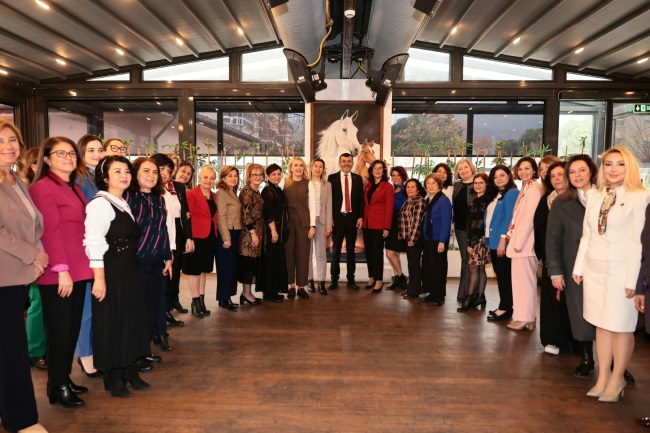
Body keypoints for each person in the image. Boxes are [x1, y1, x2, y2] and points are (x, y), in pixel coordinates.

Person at [573, 147, 649, 402]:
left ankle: (617, 379)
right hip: (595, 269)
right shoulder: (596, 195)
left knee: (620, 326)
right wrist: (579, 267)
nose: (613, 169)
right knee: (601, 325)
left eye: (620, 164)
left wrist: (633, 280)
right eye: (608, 164)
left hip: (621, 271)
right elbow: (587, 235)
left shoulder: (640, 197)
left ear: (630, 167)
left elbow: (638, 242)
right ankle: (603, 376)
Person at [31, 136, 93, 407]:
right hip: (59, 272)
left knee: (70, 329)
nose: (68, 158)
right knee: (59, 332)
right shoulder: (43, 188)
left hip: (78, 268)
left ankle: (62, 379)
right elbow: (50, 232)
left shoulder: (73, 187)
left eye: (71, 153)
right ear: (46, 159)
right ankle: (57, 385)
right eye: (61, 153)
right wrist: (61, 270)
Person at [84, 155, 151, 398]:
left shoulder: (122, 202)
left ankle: (130, 370)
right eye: (117, 171)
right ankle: (114, 377)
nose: (124, 175)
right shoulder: (100, 204)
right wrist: (99, 279)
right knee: (112, 323)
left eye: (127, 171)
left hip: (128, 270)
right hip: (111, 272)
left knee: (130, 322)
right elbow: (93, 242)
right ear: (105, 178)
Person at [0, 120, 49, 433]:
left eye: (12, 140)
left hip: (17, 275)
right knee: (12, 352)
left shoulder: (17, 179)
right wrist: (34, 255)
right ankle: (22, 420)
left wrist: (38, 258)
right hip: (3, 277)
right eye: (0, 141)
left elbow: (33, 227)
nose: (8, 146)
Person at [546, 155, 599, 377]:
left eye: (582, 170)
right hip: (574, 267)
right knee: (579, 312)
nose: (577, 175)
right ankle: (586, 358)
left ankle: (615, 363)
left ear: (591, 171)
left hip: (604, 266)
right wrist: (555, 271)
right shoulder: (562, 202)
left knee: (608, 315)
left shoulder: (606, 197)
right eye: (572, 171)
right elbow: (552, 239)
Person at [125, 157, 173, 361]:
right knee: (137, 310)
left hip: (156, 261)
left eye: (154, 172)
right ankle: (135, 354)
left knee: (151, 308)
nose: (151, 176)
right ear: (135, 174)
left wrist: (168, 256)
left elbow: (162, 229)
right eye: (146, 171)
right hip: (136, 262)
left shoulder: (158, 198)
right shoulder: (128, 197)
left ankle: (144, 351)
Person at [149, 153, 194, 326]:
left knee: (174, 271)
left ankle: (170, 304)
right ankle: (162, 312)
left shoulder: (177, 188)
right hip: (158, 236)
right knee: (162, 276)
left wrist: (189, 237)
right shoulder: (153, 190)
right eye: (164, 168)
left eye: (171, 168)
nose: (168, 172)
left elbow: (185, 213)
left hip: (175, 231)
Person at [534, 161, 573, 354]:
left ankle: (576, 341)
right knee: (551, 302)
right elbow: (539, 229)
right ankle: (553, 340)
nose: (557, 179)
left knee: (571, 303)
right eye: (552, 176)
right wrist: (544, 255)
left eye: (560, 174)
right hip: (552, 259)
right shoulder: (546, 201)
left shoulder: (578, 199)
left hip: (574, 260)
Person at [74, 134, 104, 379]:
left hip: (104, 247)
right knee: (86, 307)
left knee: (97, 305)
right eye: (91, 150)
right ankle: (85, 355)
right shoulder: (79, 179)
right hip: (87, 248)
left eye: (100, 149)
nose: (97, 154)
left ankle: (94, 351)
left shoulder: (99, 176)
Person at [18, 147, 48, 371]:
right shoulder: (27, 190)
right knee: (38, 302)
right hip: (33, 254)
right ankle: (35, 350)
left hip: (47, 253)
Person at [506, 157, 542, 331]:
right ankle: (526, 316)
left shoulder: (534, 189)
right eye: (520, 169)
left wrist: (518, 242)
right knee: (521, 282)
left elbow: (529, 218)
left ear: (534, 170)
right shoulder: (526, 188)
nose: (523, 172)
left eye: (527, 168)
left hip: (525, 244)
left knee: (525, 283)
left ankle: (525, 317)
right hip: (520, 242)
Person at [484, 165, 518, 321]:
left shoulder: (511, 193)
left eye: (502, 175)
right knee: (501, 275)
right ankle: (504, 305)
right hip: (494, 241)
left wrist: (502, 241)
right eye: (495, 176)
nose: (498, 179)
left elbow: (510, 218)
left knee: (504, 277)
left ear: (509, 176)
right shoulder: (497, 194)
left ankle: (505, 308)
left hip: (502, 242)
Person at [184, 166, 218, 317]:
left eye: (211, 178)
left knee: (204, 270)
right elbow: (186, 218)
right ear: (199, 178)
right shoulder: (191, 194)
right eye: (205, 177)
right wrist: (189, 238)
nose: (208, 181)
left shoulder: (214, 196)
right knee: (194, 271)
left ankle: (202, 301)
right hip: (196, 237)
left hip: (210, 237)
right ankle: (195, 302)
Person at [327, 153, 364, 290]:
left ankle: (351, 280)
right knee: (336, 250)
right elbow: (329, 200)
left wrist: (360, 217)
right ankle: (334, 280)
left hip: (352, 219)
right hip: (337, 219)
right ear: (339, 163)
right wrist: (329, 217)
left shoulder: (358, 179)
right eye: (344, 161)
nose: (346, 163)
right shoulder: (332, 178)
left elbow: (360, 200)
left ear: (352, 163)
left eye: (349, 161)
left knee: (351, 251)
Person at [458, 172, 491, 312]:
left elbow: (479, 224)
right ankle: (480, 297)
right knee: (480, 268)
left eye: (481, 183)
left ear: (487, 185)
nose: (477, 185)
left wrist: (471, 243)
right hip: (479, 238)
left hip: (478, 239)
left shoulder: (483, 201)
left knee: (473, 268)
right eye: (475, 183)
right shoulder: (478, 199)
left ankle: (470, 299)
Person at [284, 157, 315, 299]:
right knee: (288, 254)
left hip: (304, 224)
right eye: (295, 165)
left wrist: (312, 226)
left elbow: (312, 206)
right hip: (288, 224)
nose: (298, 168)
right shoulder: (284, 182)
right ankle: (291, 285)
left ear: (304, 168)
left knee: (303, 255)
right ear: (290, 168)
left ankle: (301, 287)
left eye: (301, 165)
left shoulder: (309, 184)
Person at [421, 173, 452, 305]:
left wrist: (442, 242)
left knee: (438, 268)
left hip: (438, 239)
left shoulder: (443, 200)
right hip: (428, 238)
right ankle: (432, 292)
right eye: (428, 183)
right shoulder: (428, 199)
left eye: (433, 183)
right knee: (430, 267)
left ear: (439, 184)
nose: (430, 186)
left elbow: (446, 223)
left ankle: (439, 295)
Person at [362, 160, 394, 293]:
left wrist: (387, 227)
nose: (377, 170)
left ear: (384, 171)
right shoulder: (368, 185)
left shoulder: (387, 186)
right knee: (369, 252)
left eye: (380, 168)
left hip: (379, 225)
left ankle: (379, 279)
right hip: (367, 224)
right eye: (375, 168)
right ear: (371, 170)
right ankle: (372, 277)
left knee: (377, 253)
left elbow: (389, 208)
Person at [261, 164, 289, 302]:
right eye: (273, 174)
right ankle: (269, 294)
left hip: (278, 231)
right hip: (271, 231)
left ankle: (273, 291)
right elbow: (268, 213)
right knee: (270, 262)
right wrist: (273, 231)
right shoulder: (268, 191)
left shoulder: (277, 189)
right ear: (268, 176)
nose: (276, 176)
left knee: (275, 261)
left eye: (278, 174)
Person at [215, 165, 242, 311]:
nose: (233, 178)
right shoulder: (221, 193)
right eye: (230, 175)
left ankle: (227, 297)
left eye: (235, 175)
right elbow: (221, 217)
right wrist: (226, 238)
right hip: (227, 235)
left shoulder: (232, 192)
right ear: (223, 178)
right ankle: (224, 298)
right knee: (225, 269)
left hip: (235, 233)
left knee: (232, 268)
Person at [238, 163, 265, 305]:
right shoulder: (247, 191)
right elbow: (246, 215)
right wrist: (253, 234)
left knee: (251, 265)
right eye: (254, 174)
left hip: (256, 232)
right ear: (248, 176)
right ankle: (246, 294)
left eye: (260, 174)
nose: (257, 177)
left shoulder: (256, 191)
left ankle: (247, 293)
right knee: (247, 266)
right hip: (248, 234)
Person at [452, 159, 476, 302]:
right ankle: (465, 293)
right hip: (460, 229)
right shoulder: (457, 186)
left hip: (475, 229)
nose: (463, 170)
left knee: (475, 262)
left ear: (471, 168)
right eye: (460, 169)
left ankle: (472, 293)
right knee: (465, 260)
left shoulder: (478, 184)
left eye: (466, 167)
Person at [307, 158, 333, 295]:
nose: (318, 169)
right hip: (307, 222)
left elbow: (329, 206)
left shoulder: (327, 185)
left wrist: (329, 226)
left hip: (322, 222)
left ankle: (322, 282)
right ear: (311, 168)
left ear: (323, 169)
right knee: (308, 253)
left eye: (321, 166)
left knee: (321, 253)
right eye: (315, 166)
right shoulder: (306, 183)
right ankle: (309, 280)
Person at [398, 179, 426, 299]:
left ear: (418, 189)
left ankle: (414, 291)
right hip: (408, 237)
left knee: (414, 264)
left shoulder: (419, 201)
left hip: (415, 238)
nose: (409, 189)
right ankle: (412, 288)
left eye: (412, 187)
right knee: (412, 264)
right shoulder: (408, 201)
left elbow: (417, 222)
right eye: (408, 187)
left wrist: (412, 239)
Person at [385, 166, 408, 291]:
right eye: (393, 175)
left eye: (398, 175)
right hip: (390, 222)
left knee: (390, 253)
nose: (396, 177)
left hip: (400, 223)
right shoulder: (390, 189)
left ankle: (400, 277)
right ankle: (398, 279)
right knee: (394, 253)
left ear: (403, 176)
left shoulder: (406, 190)